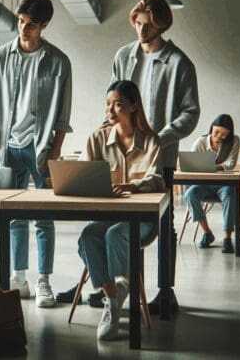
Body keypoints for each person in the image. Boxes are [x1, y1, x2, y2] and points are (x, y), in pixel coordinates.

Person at [0, 0, 73, 307]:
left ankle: (43, 280)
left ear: (44, 25)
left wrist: (55, 153)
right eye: (21, 22)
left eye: (32, 24)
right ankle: (18, 278)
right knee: (13, 217)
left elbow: (62, 116)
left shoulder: (59, 62)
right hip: (7, 148)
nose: (24, 28)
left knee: (44, 217)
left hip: (41, 148)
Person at [110, 0, 200, 313]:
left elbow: (190, 113)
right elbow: (112, 101)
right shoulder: (124, 57)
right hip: (124, 156)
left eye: (148, 25)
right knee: (118, 219)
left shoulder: (179, 64)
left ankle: (165, 291)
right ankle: (116, 286)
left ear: (161, 25)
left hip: (160, 159)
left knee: (163, 223)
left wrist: (159, 138)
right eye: (137, 23)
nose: (142, 30)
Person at [76, 80, 165, 340]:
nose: (110, 110)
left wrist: (133, 186)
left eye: (118, 104)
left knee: (116, 234)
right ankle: (113, 299)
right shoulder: (97, 138)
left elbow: (157, 178)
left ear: (133, 106)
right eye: (107, 104)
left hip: (143, 220)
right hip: (108, 216)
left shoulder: (151, 140)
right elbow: (82, 175)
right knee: (89, 236)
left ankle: (116, 297)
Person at [184, 114, 240, 253]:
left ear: (229, 134)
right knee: (190, 195)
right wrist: (212, 167)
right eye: (216, 132)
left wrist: (210, 166)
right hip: (203, 184)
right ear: (211, 129)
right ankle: (207, 233)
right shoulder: (200, 142)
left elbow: (231, 164)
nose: (219, 136)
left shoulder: (234, 141)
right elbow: (191, 164)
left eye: (224, 134)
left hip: (224, 184)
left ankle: (227, 238)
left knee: (230, 194)